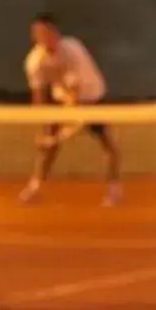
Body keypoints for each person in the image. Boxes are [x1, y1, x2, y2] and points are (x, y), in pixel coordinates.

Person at [20, 14, 123, 207]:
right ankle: (35, 187)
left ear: (56, 33)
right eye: (38, 33)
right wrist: (44, 129)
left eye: (47, 32)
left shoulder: (73, 49)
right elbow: (38, 95)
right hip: (63, 99)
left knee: (108, 144)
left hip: (93, 96)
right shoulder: (34, 61)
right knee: (50, 144)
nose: (43, 37)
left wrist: (72, 119)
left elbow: (77, 91)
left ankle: (114, 189)